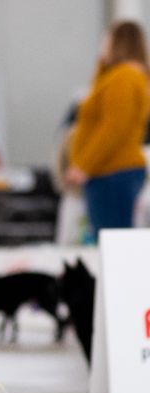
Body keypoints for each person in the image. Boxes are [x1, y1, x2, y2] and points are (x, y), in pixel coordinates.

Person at [66, 20, 150, 238]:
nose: (101, 45)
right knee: (111, 239)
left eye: (106, 39)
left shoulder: (124, 77)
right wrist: (102, 64)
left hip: (113, 172)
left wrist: (84, 165)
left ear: (119, 42)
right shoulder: (120, 76)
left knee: (112, 241)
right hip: (112, 172)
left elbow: (113, 128)